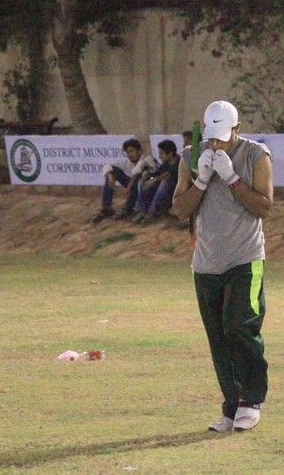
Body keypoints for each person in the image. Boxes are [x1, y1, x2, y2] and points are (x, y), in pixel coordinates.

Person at [172, 100, 273, 432]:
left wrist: (231, 178)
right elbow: (180, 210)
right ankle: (231, 406)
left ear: (237, 129)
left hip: (245, 259)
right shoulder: (191, 155)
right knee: (218, 337)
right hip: (206, 264)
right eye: (211, 137)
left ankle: (251, 399)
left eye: (222, 137)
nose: (216, 144)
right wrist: (200, 181)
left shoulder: (255, 155)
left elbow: (264, 207)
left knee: (240, 326)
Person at [92, 138, 158, 223]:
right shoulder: (128, 163)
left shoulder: (147, 159)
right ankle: (106, 208)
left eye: (132, 151)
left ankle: (127, 209)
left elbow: (136, 171)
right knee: (112, 171)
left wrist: (128, 188)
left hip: (150, 189)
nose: (129, 154)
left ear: (139, 151)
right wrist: (110, 176)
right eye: (127, 152)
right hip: (135, 188)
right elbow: (108, 165)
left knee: (138, 179)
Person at [131, 139, 181, 224]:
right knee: (143, 181)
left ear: (170, 153)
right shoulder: (165, 164)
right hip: (163, 195)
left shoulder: (180, 162)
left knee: (164, 182)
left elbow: (168, 175)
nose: (159, 156)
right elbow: (157, 174)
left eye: (161, 153)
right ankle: (142, 210)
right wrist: (148, 175)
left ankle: (151, 213)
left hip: (175, 195)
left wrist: (154, 180)